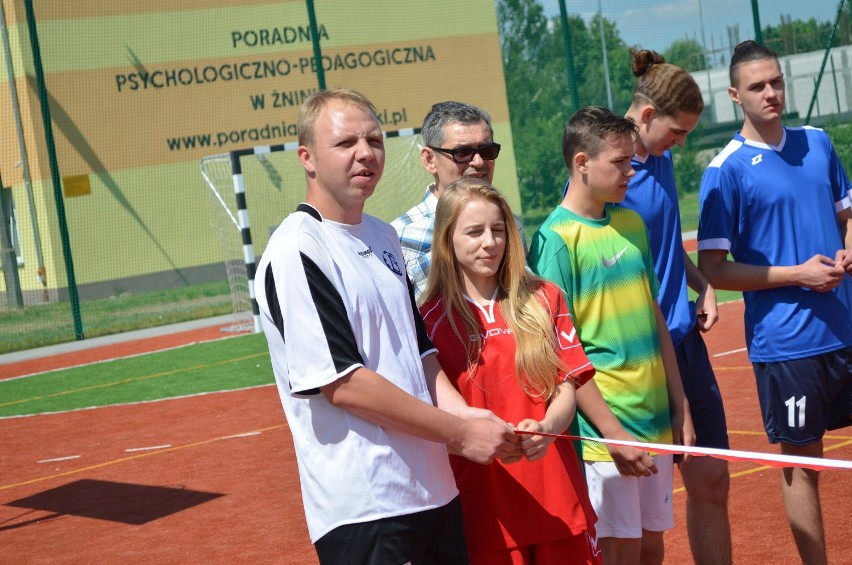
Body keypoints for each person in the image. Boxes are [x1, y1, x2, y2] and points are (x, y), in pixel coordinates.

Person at [254, 88, 518, 565]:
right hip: (367, 506)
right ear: (307, 158)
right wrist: (458, 434)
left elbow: (418, 353)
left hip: (433, 490)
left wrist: (467, 416)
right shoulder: (298, 248)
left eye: (374, 139)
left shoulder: (383, 236)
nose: (365, 152)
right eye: (345, 142)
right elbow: (344, 384)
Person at [697, 40, 852, 565]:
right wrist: (798, 275)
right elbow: (715, 267)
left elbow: (846, 215)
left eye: (776, 82)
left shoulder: (819, 143)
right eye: (758, 86)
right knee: (803, 463)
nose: (771, 93)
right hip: (787, 345)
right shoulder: (725, 171)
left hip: (847, 326)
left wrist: (848, 252)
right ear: (734, 95)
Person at [528, 106, 695, 565]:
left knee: (652, 543)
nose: (630, 171)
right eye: (619, 162)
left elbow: (655, 318)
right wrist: (612, 431)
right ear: (582, 163)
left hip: (656, 421)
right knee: (620, 550)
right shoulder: (556, 241)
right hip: (608, 434)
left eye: (631, 160)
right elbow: (561, 350)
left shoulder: (631, 224)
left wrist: (680, 406)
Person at [420, 176, 602, 564]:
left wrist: (550, 428)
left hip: (559, 501)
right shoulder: (428, 319)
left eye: (498, 230)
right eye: (474, 232)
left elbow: (566, 385)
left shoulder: (544, 297)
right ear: (446, 239)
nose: (490, 242)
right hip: (484, 516)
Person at [619, 48, 732, 565]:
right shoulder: (606, 178)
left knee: (712, 481)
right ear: (645, 116)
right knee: (643, 531)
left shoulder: (658, 158)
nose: (681, 144)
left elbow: (663, 245)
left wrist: (701, 282)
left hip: (685, 345)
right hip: (640, 363)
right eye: (677, 131)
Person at [392, 101, 525, 301]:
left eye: (486, 151)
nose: (479, 162)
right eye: (462, 152)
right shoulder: (399, 238)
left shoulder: (512, 225)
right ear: (429, 160)